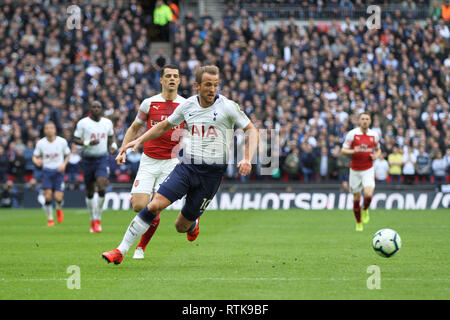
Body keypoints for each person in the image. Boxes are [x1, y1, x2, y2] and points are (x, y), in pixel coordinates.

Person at [102, 65, 259, 264]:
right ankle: (121, 250)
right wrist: (140, 140)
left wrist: (247, 157)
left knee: (180, 226)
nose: (212, 89)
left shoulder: (228, 106)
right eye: (208, 85)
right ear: (197, 86)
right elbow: (164, 125)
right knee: (154, 205)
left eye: (216, 85)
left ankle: (193, 223)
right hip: (187, 167)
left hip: (211, 176)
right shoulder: (188, 105)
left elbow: (252, 130)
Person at [115, 64, 186, 259]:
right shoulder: (149, 103)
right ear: (161, 80)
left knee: (156, 206)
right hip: (148, 160)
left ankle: (141, 247)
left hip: (171, 162)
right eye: (168, 76)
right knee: (139, 206)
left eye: (176, 76)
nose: (172, 79)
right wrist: (123, 150)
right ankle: (142, 201)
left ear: (179, 81)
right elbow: (134, 127)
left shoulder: (186, 105)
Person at [73, 101, 118, 233]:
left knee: (102, 184)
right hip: (87, 159)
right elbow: (75, 139)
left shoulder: (107, 123)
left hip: (102, 159)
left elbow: (111, 137)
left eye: (99, 107)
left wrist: (113, 146)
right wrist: (88, 143)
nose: (96, 109)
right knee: (90, 191)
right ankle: (92, 218)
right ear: (90, 109)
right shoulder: (83, 123)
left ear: (101, 109)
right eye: (94, 107)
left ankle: (98, 218)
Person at [341, 112, 381, 231]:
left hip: (368, 169)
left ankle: (365, 209)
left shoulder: (374, 135)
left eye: (367, 119)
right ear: (359, 121)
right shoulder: (352, 134)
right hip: (355, 170)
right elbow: (343, 150)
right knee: (356, 198)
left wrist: (376, 156)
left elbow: (378, 149)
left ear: (370, 121)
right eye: (363, 119)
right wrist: (353, 151)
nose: (365, 121)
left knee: (368, 194)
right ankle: (358, 222)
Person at [32, 121, 70, 226]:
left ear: (55, 130)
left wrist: (64, 164)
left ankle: (58, 208)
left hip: (59, 171)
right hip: (47, 171)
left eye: (51, 128)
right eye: (47, 128)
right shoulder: (41, 143)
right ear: (44, 130)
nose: (49, 130)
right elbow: (34, 156)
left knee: (58, 198)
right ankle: (50, 219)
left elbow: (67, 154)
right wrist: (37, 161)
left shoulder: (62, 142)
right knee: (48, 196)